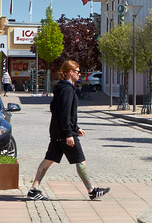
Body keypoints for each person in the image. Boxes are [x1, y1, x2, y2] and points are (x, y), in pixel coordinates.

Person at [27, 59, 109, 201]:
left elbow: (56, 110)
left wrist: (76, 128)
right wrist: (69, 133)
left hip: (58, 132)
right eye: (77, 72)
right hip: (65, 135)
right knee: (80, 161)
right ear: (70, 72)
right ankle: (91, 190)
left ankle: (34, 189)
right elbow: (64, 113)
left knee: (48, 160)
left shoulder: (60, 88)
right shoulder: (68, 90)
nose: (80, 75)